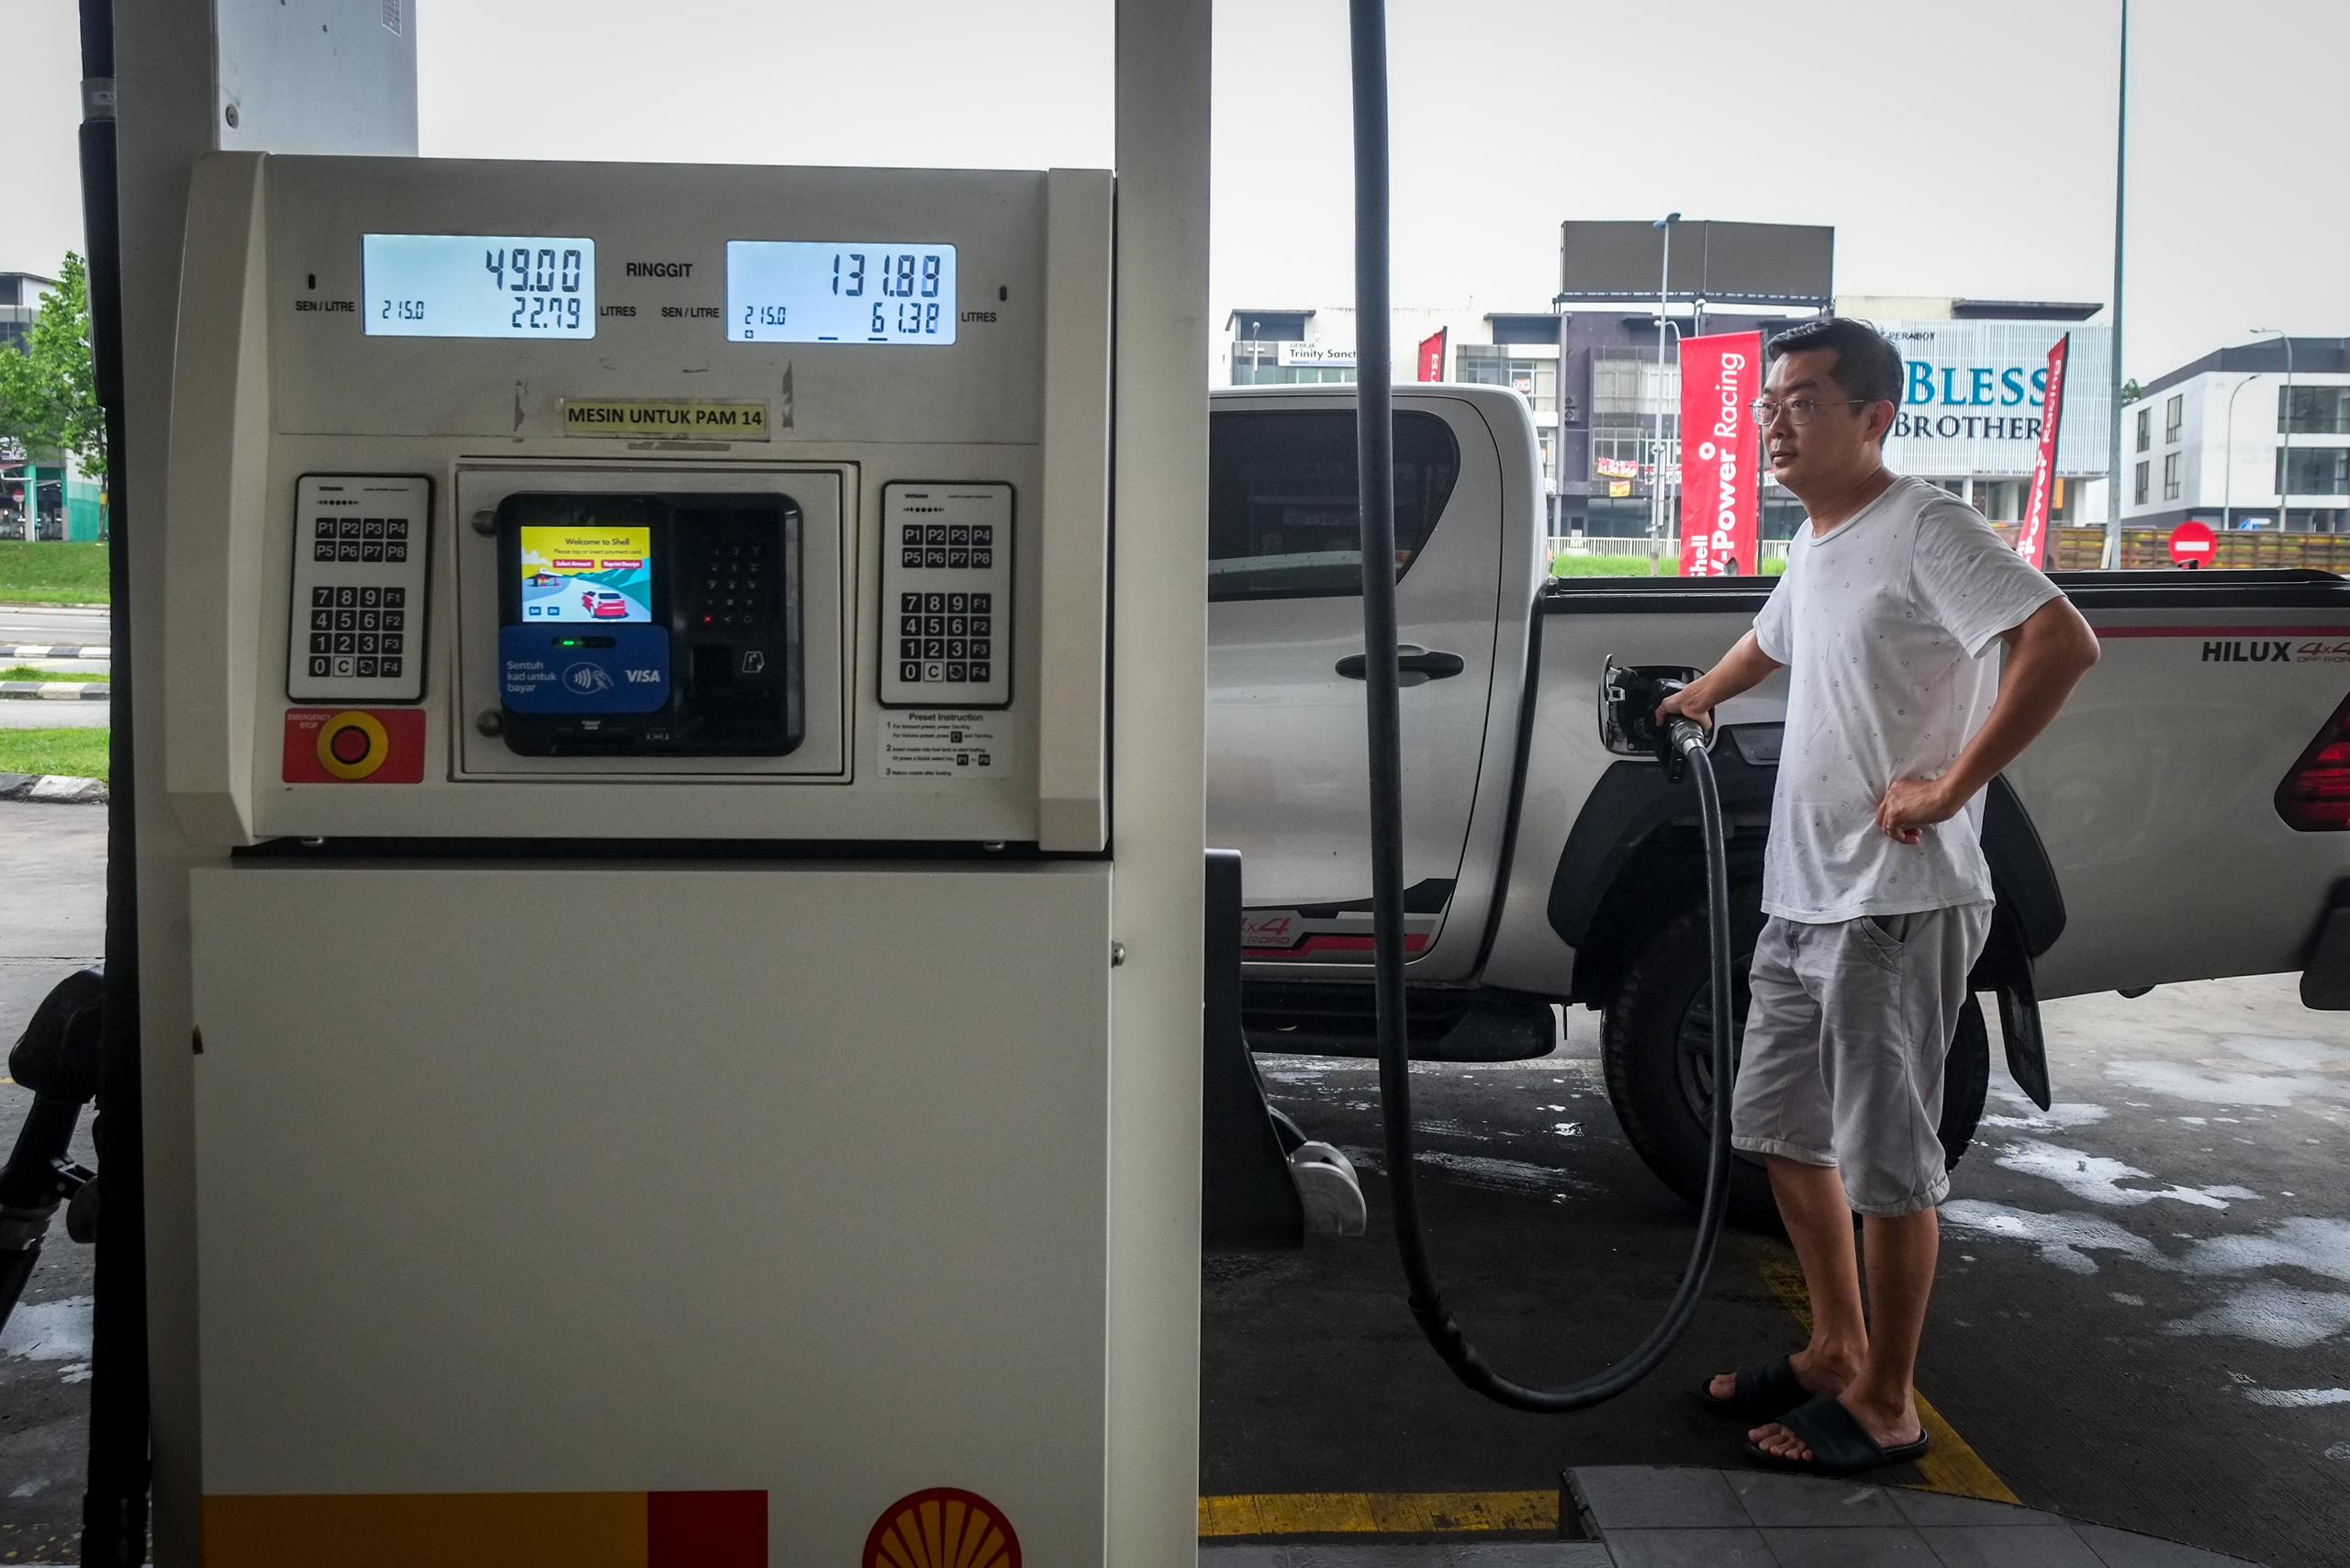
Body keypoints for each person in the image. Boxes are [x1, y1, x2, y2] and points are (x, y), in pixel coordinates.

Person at [1657, 318, 2101, 1476]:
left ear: (1873, 417)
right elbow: (1769, 642)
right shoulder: (1817, 543)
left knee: (1888, 1168)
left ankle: (1888, 1404)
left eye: (1802, 402)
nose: (1774, 423)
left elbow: (2060, 640)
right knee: (1778, 1132)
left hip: (1893, 901)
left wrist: (1952, 787)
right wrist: (1696, 696)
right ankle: (1834, 1350)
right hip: (1804, 895)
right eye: (1768, 404)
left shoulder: (1926, 526)